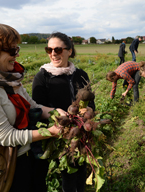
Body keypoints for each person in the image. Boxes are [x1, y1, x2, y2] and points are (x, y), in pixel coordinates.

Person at [0, 23, 64, 192]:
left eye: (17, 49)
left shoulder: (10, 78)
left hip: (29, 155)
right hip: (5, 165)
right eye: (11, 51)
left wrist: (57, 113)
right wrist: (50, 132)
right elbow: (5, 136)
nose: (17, 55)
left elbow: (32, 106)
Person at [32, 32, 95, 192]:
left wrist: (88, 112)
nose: (53, 53)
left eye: (58, 49)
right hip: (58, 135)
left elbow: (91, 104)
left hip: (81, 133)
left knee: (81, 169)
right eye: (49, 49)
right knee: (67, 174)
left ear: (69, 51)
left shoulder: (81, 75)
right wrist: (57, 121)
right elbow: (37, 108)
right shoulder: (42, 77)